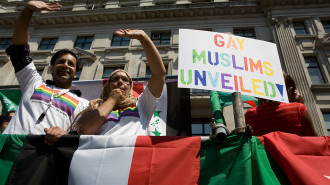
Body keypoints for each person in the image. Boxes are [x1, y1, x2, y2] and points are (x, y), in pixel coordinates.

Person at [3, 1, 89, 145]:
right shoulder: (33, 83)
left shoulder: (84, 104)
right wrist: (28, 10)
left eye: (71, 64)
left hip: (44, 157)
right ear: (51, 68)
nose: (65, 65)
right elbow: (19, 50)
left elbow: (82, 133)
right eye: (61, 62)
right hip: (10, 149)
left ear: (75, 73)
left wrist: (65, 134)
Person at [74, 29, 166, 136]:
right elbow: (84, 130)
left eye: (125, 79)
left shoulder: (142, 105)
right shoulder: (95, 107)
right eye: (115, 79)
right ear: (108, 86)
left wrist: (143, 37)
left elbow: (159, 73)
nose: (120, 82)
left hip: (133, 152)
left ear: (130, 86)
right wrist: (112, 100)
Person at [244, 72, 317, 136]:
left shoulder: (249, 114)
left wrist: (260, 106)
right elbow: (315, 143)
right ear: (290, 91)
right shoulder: (298, 109)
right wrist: (300, 106)